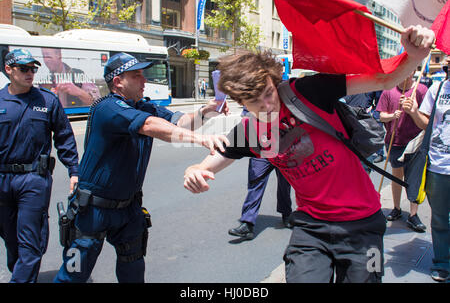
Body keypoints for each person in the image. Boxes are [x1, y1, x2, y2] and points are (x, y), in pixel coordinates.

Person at [183, 25, 435, 283]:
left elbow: (383, 80)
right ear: (242, 103)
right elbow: (209, 164)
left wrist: (414, 55)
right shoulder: (250, 131)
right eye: (256, 102)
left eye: (269, 93)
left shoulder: (308, 92)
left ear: (274, 80)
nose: (267, 105)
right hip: (311, 228)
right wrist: (195, 171)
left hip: (365, 225)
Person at [53, 52, 230, 283]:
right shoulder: (108, 108)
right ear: (118, 81)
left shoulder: (143, 106)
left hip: (129, 208)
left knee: (133, 272)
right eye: (136, 76)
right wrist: (201, 139)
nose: (144, 80)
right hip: (94, 209)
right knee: (73, 275)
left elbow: (179, 122)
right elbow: (149, 126)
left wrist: (207, 111)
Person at [0, 48, 79, 283]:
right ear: (8, 70)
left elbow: (64, 137)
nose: (30, 73)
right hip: (2, 180)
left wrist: (74, 170)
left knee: (30, 241)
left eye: (33, 69)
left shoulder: (47, 100)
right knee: (11, 240)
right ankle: (23, 273)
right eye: (24, 69)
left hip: (34, 179)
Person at [402, 57, 449, 282]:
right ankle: (442, 263)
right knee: (440, 219)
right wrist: (413, 112)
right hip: (438, 165)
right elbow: (425, 123)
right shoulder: (438, 88)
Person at [228, 107, 292, 240]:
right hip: (261, 149)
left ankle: (287, 215)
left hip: (284, 148)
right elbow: (246, 116)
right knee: (255, 183)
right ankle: (247, 224)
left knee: (284, 183)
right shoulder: (254, 95)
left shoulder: (283, 92)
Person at [376, 73, 428, 232]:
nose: (406, 75)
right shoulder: (388, 91)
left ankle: (413, 214)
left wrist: (414, 110)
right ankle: (396, 208)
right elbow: (381, 116)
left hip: (416, 141)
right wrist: (393, 115)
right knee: (396, 177)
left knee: (415, 178)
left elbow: (427, 117)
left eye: (410, 70)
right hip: (395, 141)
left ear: (413, 72)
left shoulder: (421, 89)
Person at [366, 90, 386, 163]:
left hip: (391, 109)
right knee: (378, 133)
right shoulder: (378, 83)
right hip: (379, 109)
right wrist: (367, 107)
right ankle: (380, 154)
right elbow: (370, 96)